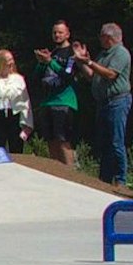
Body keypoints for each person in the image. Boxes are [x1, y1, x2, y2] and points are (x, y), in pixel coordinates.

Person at [76, 23, 133, 185]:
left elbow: (110, 74)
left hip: (117, 101)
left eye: (101, 36)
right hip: (103, 102)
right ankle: (105, 179)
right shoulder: (103, 54)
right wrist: (81, 62)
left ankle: (121, 179)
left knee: (116, 141)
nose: (99, 39)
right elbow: (92, 76)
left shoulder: (121, 53)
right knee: (104, 142)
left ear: (108, 37)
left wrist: (90, 62)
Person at [33, 21, 85, 167]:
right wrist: (41, 62)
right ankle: (57, 173)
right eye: (55, 32)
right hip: (47, 101)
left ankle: (70, 172)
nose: (57, 35)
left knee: (63, 140)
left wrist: (51, 62)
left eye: (60, 32)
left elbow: (68, 76)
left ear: (67, 34)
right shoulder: (52, 53)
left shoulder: (71, 54)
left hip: (64, 101)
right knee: (50, 141)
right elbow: (36, 78)